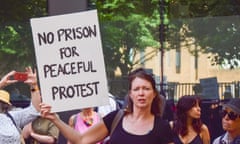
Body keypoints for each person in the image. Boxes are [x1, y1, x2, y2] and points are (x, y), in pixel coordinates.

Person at [40, 67, 174, 144]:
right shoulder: (116, 118)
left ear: (154, 94)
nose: (141, 93)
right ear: (130, 94)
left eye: (146, 89)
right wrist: (55, 119)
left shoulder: (162, 127)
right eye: (136, 89)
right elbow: (81, 139)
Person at [0, 66, 41, 144]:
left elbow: (34, 110)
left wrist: (34, 86)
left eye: (3, 102)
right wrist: (1, 84)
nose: (2, 104)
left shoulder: (10, 117)